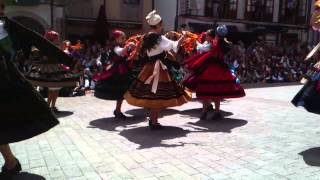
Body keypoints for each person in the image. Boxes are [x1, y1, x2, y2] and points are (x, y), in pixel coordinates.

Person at [0, 4, 59, 177]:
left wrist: (69, 60)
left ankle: (11, 163)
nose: (2, 12)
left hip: (5, 80)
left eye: (2, 8)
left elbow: (38, 43)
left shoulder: (4, 27)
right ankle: (11, 162)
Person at [124, 10, 191, 130]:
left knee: (153, 94)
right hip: (158, 67)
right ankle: (154, 121)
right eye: (162, 23)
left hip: (149, 66)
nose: (162, 25)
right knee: (158, 95)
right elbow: (174, 46)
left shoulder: (146, 36)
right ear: (159, 24)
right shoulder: (159, 38)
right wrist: (183, 36)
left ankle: (153, 120)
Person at [183, 26, 245, 120]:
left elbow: (204, 49)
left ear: (216, 34)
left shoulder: (214, 43)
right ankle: (217, 112)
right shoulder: (226, 44)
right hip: (221, 68)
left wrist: (196, 42)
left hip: (211, 68)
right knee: (218, 91)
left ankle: (204, 112)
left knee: (205, 90)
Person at [25, 30, 79, 113]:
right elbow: (36, 55)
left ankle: (51, 107)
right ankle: (49, 107)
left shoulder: (53, 47)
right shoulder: (45, 48)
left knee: (55, 89)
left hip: (55, 69)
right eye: (55, 38)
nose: (57, 39)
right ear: (52, 39)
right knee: (53, 89)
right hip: (51, 70)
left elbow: (62, 58)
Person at [94, 30, 135, 119]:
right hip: (117, 71)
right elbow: (121, 52)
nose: (125, 39)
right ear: (116, 39)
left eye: (125, 38)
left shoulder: (120, 46)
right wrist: (128, 46)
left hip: (123, 69)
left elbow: (125, 54)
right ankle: (118, 110)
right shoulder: (116, 47)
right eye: (122, 38)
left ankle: (118, 110)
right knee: (120, 91)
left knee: (122, 92)